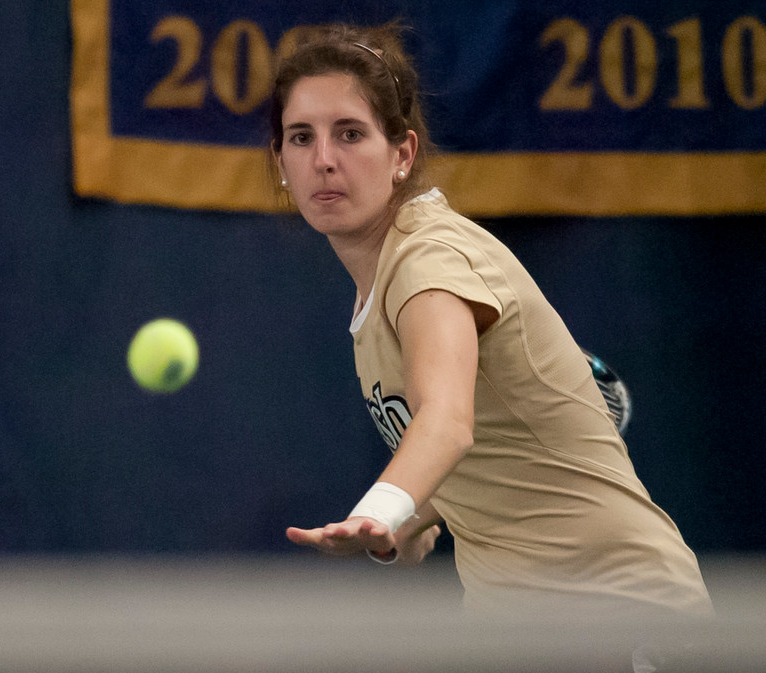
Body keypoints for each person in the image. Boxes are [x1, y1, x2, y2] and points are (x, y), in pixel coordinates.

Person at [271, 22, 712, 622]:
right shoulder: (376, 294)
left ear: (402, 154)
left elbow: (448, 423)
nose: (323, 159)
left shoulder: (430, 259)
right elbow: (476, 463)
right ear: (280, 163)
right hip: (522, 632)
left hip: (620, 612)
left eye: (350, 133)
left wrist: (380, 508)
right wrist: (408, 521)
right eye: (301, 137)